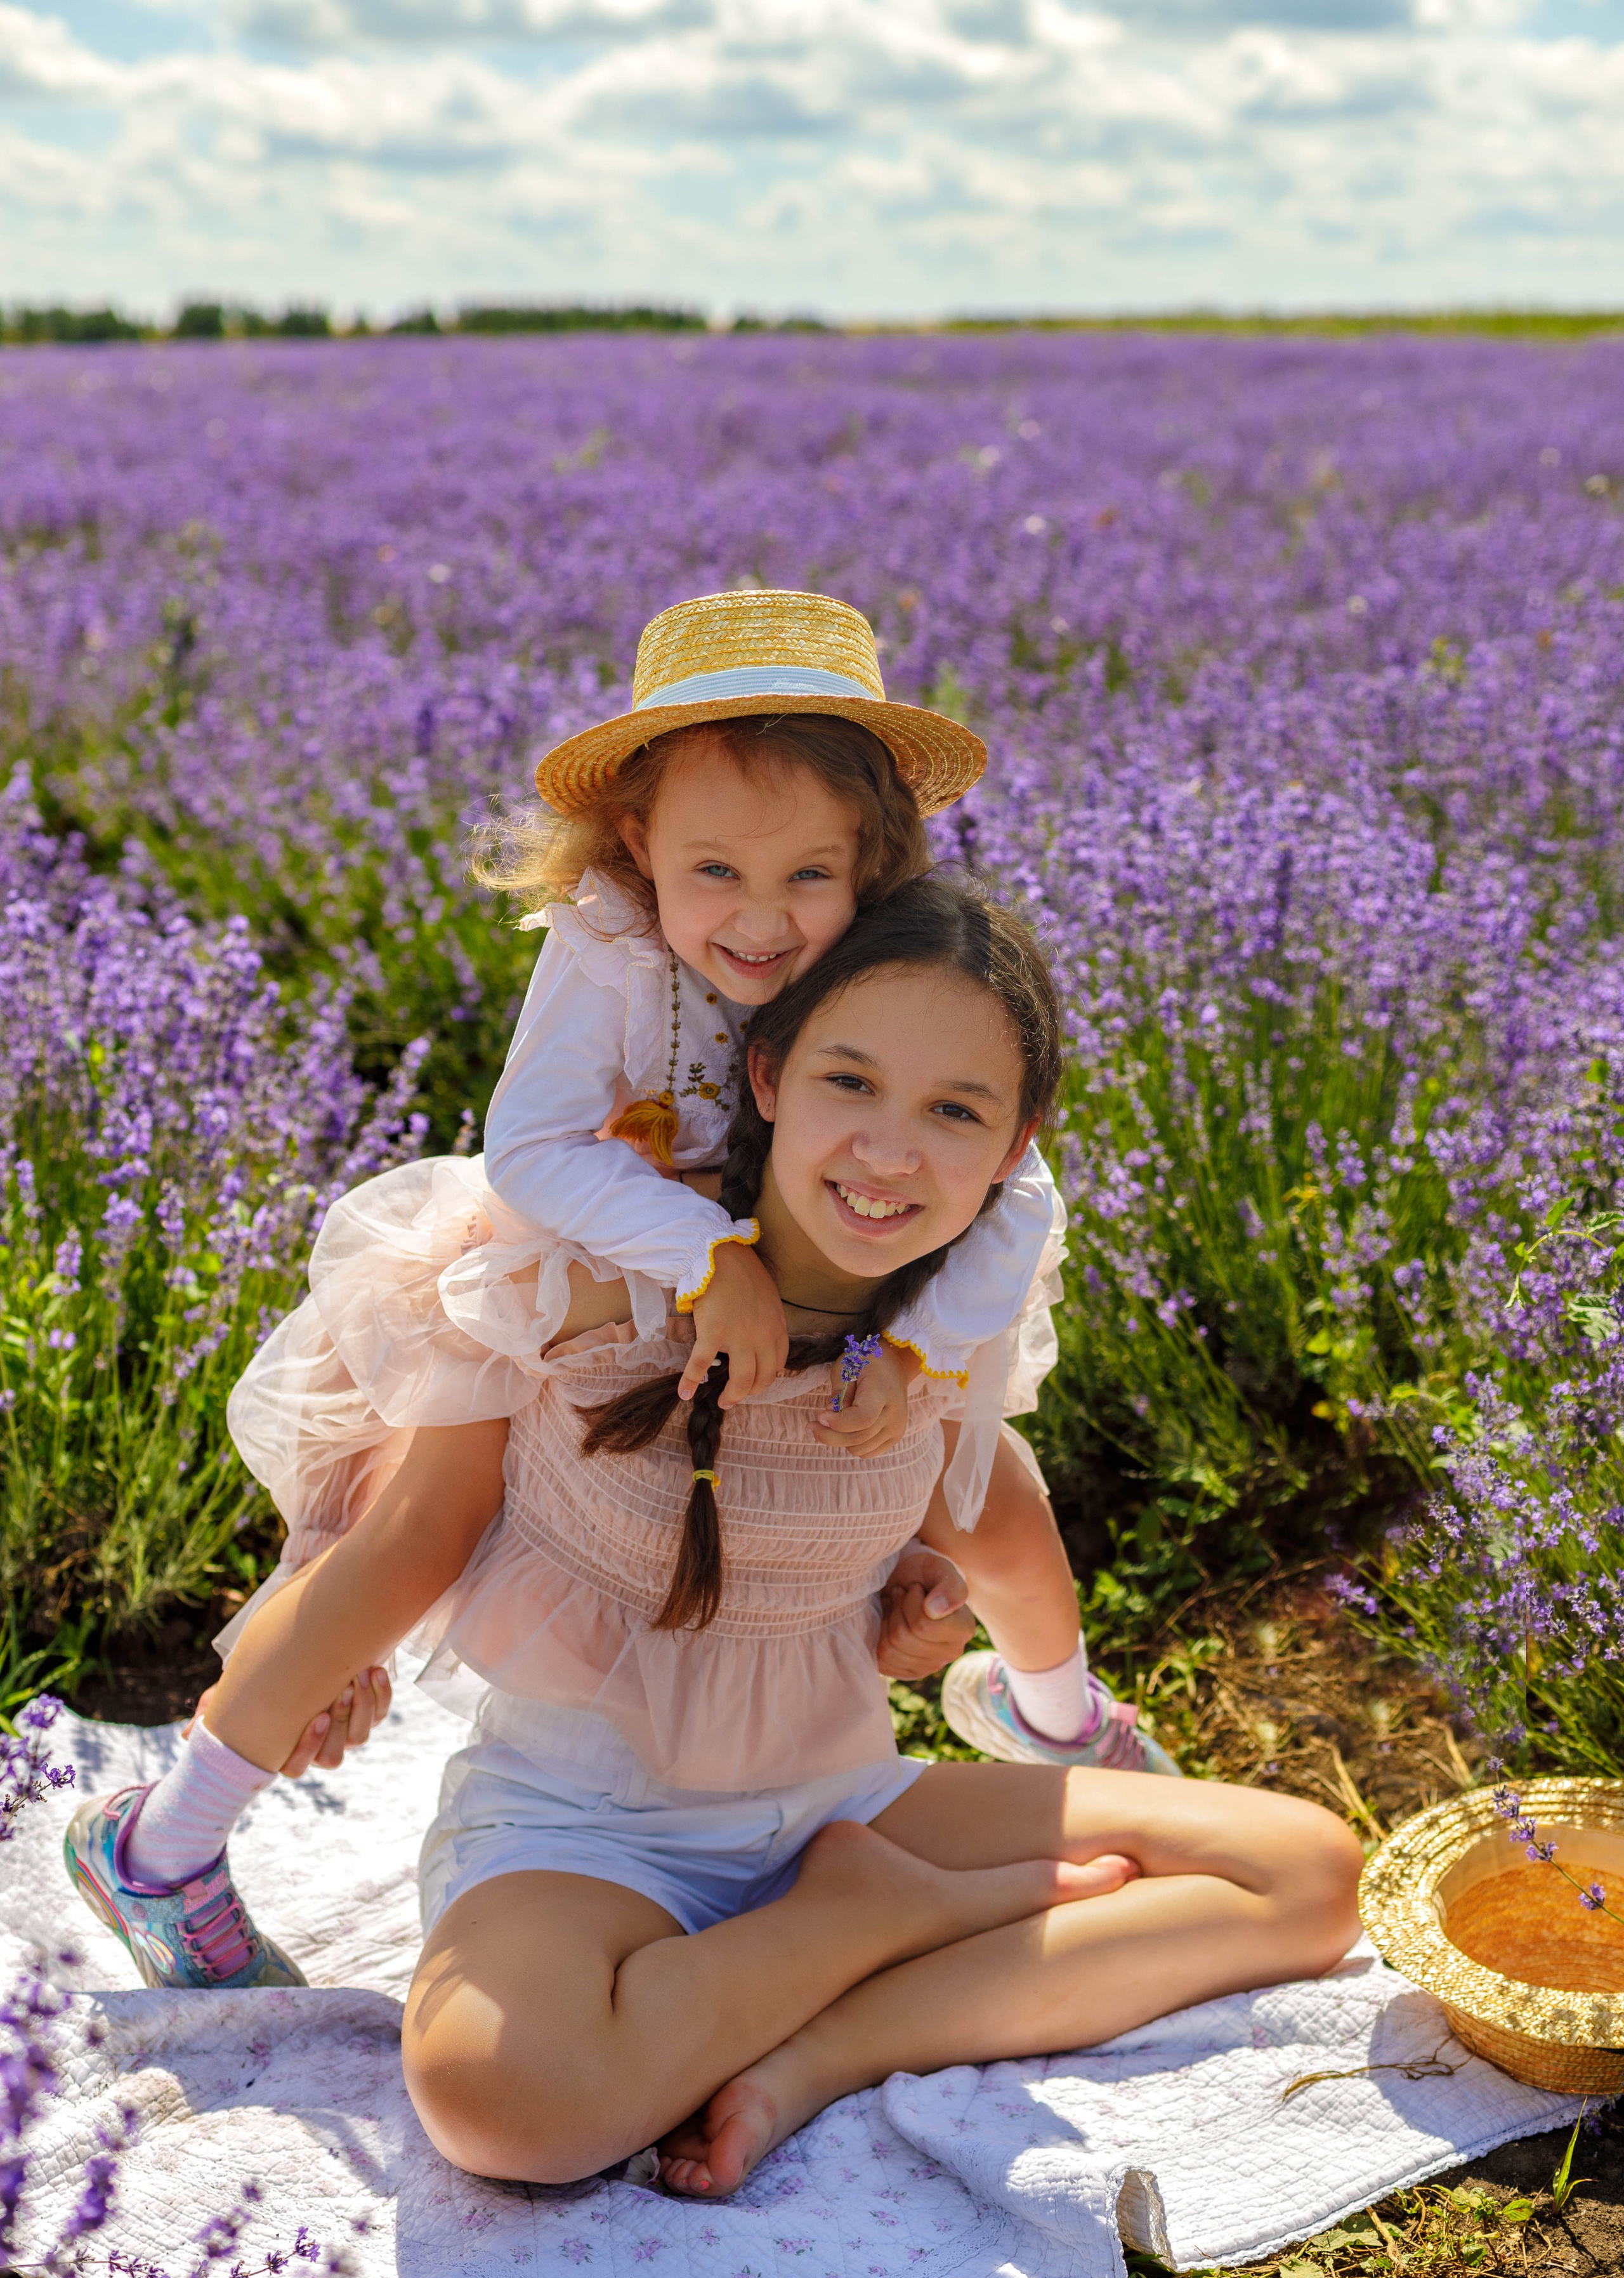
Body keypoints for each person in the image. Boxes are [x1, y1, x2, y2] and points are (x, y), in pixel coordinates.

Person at [63, 594, 1175, 1995]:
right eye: (713, 869)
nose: (760, 923)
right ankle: (164, 1845)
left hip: (811, 1294)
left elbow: (1017, 1185)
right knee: (417, 1540)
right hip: (569, 1276)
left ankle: (1056, 1716)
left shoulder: (886, 951)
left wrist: (924, 1349)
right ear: (637, 842)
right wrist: (704, 1258)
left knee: (990, 1496)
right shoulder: (606, 947)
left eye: (806, 880)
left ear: (871, 860)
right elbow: (530, 1153)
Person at [189, 874, 1357, 2193]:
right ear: (765, 1076)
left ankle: (821, 2038)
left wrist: (923, 1616)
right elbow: (404, 1450)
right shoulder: (597, 1282)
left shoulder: (933, 1353)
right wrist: (322, 1632)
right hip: (587, 1830)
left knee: (1303, 1874)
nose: (888, 1152)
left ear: (1015, 1146)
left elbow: (992, 1539)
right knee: (505, 2102)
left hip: (837, 1808)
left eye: (954, 1112)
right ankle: (872, 1924)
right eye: (848, 1083)